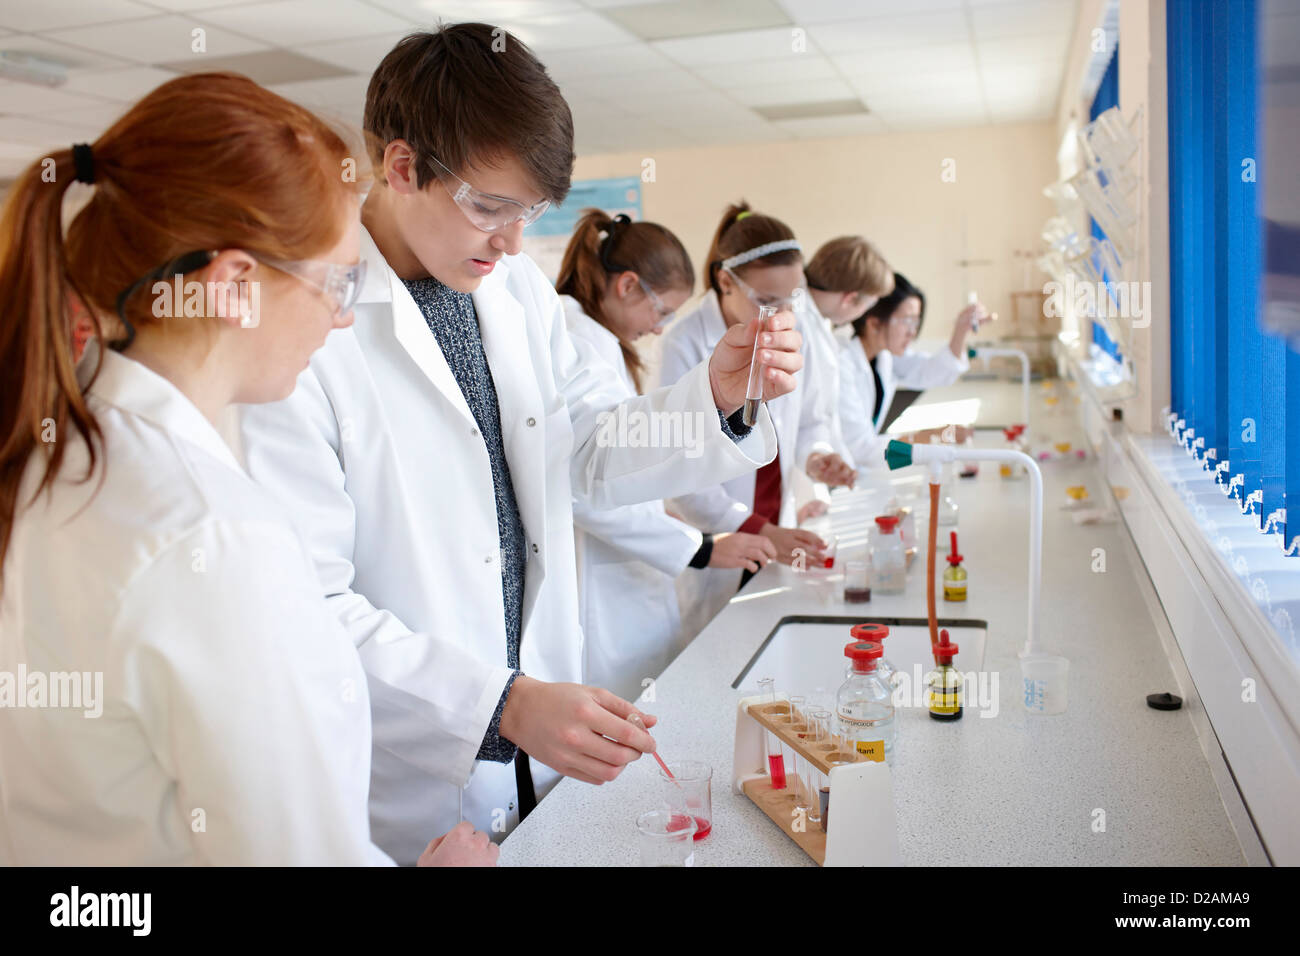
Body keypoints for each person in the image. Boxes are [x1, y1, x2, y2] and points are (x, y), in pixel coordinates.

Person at [237, 25, 804, 864]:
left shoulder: (515, 297)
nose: (510, 241)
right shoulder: (309, 330)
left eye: (529, 213)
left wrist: (713, 399)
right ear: (400, 168)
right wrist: (494, 703)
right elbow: (311, 609)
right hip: (405, 771)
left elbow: (588, 456)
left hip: (536, 735)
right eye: (489, 207)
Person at [0, 74, 495, 866]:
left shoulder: (59, 451)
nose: (340, 317)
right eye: (337, 281)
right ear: (233, 285)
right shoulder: (212, 532)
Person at [555, 209, 777, 699]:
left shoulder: (597, 340)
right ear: (627, 286)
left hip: (630, 569)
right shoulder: (579, 340)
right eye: (660, 312)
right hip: (600, 580)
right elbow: (584, 484)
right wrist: (698, 547)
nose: (659, 330)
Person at [658, 202, 854, 634]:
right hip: (720, 541)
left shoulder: (793, 328)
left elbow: (809, 420)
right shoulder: (684, 344)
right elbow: (682, 470)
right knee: (715, 653)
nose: (784, 312)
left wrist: (818, 456)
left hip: (775, 529)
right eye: (767, 300)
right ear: (725, 280)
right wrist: (756, 528)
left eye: (791, 297)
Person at [840, 272, 989, 469]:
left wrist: (961, 329)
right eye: (906, 321)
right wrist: (936, 436)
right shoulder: (842, 366)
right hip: (833, 475)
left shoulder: (884, 356)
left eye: (915, 322)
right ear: (874, 322)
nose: (912, 332)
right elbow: (863, 450)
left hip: (858, 471)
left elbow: (931, 372)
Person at [795, 235, 895, 516]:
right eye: (866, 306)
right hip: (791, 482)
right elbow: (794, 419)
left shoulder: (817, 323)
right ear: (851, 299)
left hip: (811, 467)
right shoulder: (798, 322)